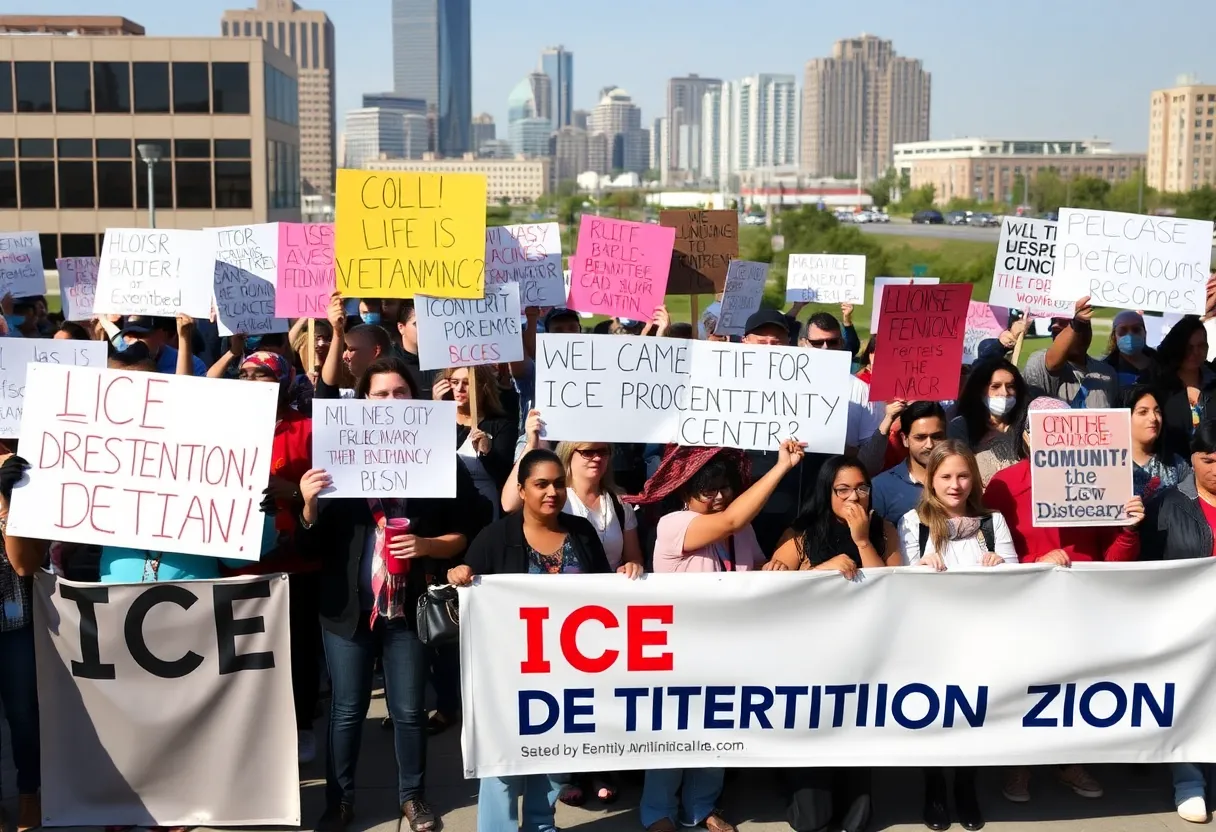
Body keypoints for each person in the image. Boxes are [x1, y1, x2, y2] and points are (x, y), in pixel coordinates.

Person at [298, 356, 488, 832]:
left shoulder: (438, 460)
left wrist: (427, 546)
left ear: (415, 400)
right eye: (379, 395)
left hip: (408, 612)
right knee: (346, 710)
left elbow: (468, 530)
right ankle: (339, 801)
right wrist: (308, 503)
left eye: (399, 394)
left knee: (407, 711)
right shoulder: (335, 461)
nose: (389, 403)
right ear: (362, 401)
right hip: (347, 612)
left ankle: (413, 798)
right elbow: (312, 546)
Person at [447, 449, 630, 832]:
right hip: (507, 676)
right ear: (522, 489)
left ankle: (540, 824)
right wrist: (461, 573)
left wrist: (628, 571)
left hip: (567, 675)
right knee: (501, 761)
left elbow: (604, 593)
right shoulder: (495, 537)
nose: (552, 492)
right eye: (540, 484)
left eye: (558, 483)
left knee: (551, 756)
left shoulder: (580, 532)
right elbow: (467, 588)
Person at [627, 441, 805, 832]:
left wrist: (770, 566)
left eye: (725, 488)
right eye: (708, 490)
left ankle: (701, 808)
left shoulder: (741, 526)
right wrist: (781, 468)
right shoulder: (673, 523)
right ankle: (658, 812)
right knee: (672, 734)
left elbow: (754, 565)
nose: (720, 496)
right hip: (680, 648)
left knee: (718, 732)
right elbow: (729, 523)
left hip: (731, 647)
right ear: (687, 492)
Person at [896, 441, 1015, 832]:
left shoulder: (992, 522)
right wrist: (921, 567)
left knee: (975, 715)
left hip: (983, 636)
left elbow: (1016, 579)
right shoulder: (914, 523)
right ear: (931, 481)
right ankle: (934, 787)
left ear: (974, 479)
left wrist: (999, 565)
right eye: (946, 476)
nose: (955, 484)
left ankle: (966, 787)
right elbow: (905, 584)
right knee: (934, 716)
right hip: (932, 639)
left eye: (963, 475)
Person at [222, 350, 320, 763]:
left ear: (281, 382)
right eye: (242, 374)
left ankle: (301, 725)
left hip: (294, 565)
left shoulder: (309, 430)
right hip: (237, 564)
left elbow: (330, 493)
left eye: (260, 375)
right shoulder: (220, 426)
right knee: (246, 657)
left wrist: (292, 491)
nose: (249, 380)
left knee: (297, 650)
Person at [1131, 421, 1216, 822]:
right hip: (1184, 626)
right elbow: (1145, 565)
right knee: (1186, 702)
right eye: (1207, 459)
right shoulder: (1165, 504)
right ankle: (1189, 781)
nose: (1215, 467)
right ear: (1192, 461)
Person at [984, 396, 1143, 567]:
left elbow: (1115, 562)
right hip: (1031, 589)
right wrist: (1037, 562)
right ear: (1027, 437)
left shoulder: (1099, 481)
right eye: (1046, 433)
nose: (1057, 443)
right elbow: (990, 555)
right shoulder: (1005, 485)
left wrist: (1128, 530)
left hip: (1088, 588)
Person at [0, 454, 46, 832]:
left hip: (14, 624)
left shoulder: (15, 474)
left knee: (24, 717)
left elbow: (23, 564)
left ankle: (30, 792)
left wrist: (4, 499)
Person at [768, 455, 901, 573]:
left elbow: (886, 586)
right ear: (827, 494)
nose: (854, 497)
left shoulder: (884, 530)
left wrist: (863, 542)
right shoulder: (800, 534)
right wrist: (821, 571)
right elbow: (778, 588)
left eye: (862, 489)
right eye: (843, 490)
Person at [434, 365, 517, 512]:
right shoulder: (439, 420)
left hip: (482, 507)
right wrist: (436, 411)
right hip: (443, 508)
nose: (459, 388)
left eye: (467, 383)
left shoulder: (501, 426)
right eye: (454, 382)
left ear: (483, 387)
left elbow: (504, 475)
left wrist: (487, 452)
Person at [1139, 316, 1216, 461]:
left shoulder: (1213, 380)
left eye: (1201, 346)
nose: (1195, 353)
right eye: (1188, 347)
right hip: (1173, 469)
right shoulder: (1158, 387)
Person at [1022, 297, 1119, 408]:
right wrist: (1076, 323)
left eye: (1065, 324)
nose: (1054, 326)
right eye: (1053, 323)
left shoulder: (1107, 373)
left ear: (1088, 332)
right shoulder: (1038, 362)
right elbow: (1052, 363)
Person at [948, 357, 1028, 487]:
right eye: (995, 386)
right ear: (980, 390)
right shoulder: (961, 427)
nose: (1004, 393)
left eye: (1010, 386)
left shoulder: (1027, 426)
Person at [867, 402, 948, 525]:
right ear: (905, 439)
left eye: (937, 437)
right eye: (920, 437)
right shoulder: (881, 487)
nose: (929, 445)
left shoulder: (960, 481)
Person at [319, 292, 393, 400]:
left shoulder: (398, 388)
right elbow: (326, 390)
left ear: (375, 351)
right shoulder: (348, 397)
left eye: (351, 349)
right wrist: (337, 332)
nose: (344, 356)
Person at [1126, 385, 1191, 502]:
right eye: (1143, 412)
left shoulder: (1176, 463)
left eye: (1157, 411)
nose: (1153, 418)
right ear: (1124, 417)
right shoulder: (1110, 465)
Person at [118, 315, 208, 376]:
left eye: (141, 335)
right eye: (129, 336)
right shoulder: (118, 360)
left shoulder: (194, 365)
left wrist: (184, 336)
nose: (135, 342)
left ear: (160, 334)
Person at [392, 300, 435, 401]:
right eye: (417, 324)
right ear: (401, 328)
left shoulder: (444, 364)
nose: (425, 328)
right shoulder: (391, 364)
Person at [1103, 310, 1153, 388]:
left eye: (1136, 329)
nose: (1130, 335)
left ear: (1144, 333)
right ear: (1114, 336)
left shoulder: (1161, 365)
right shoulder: (1105, 370)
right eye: (1123, 330)